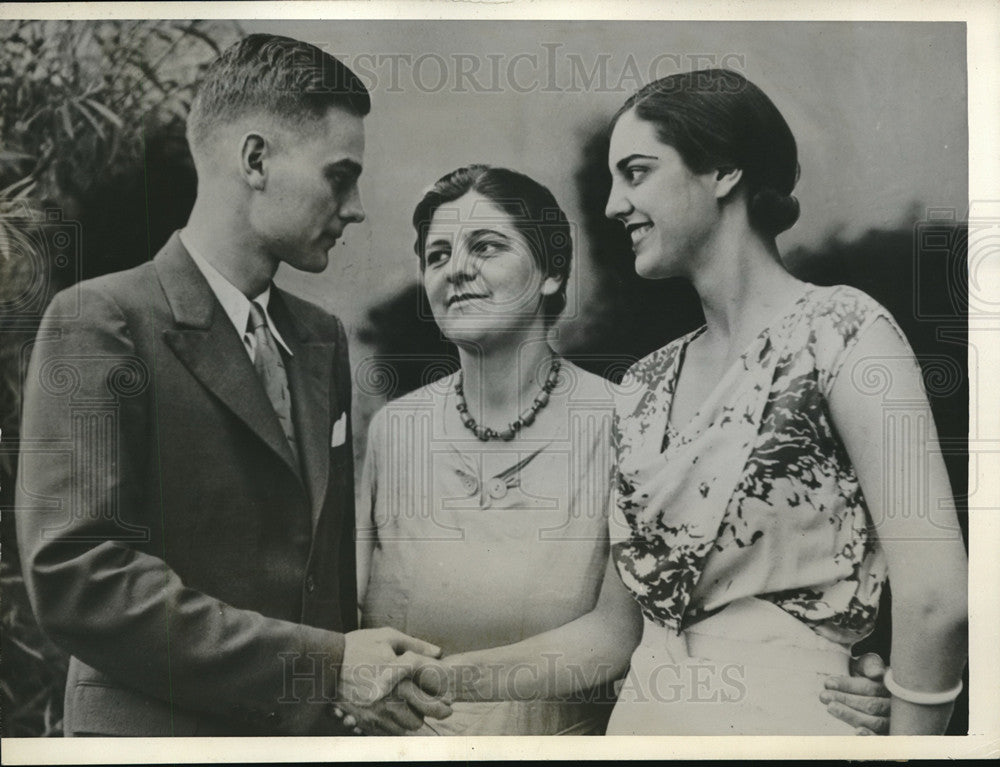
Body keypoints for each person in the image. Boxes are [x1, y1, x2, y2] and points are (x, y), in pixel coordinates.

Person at [359, 164, 894, 736]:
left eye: (485, 246)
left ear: (551, 273)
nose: (456, 269)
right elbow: (351, 619)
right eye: (436, 255)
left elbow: (668, 616)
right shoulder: (395, 431)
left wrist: (832, 672)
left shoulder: (633, 419)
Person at [15, 34, 448, 737]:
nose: (358, 207)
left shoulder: (320, 339)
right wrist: (323, 665)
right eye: (340, 175)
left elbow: (320, 579)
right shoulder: (103, 319)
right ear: (255, 159)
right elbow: (79, 576)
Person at [598, 69, 968, 734]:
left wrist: (913, 735)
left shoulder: (845, 333)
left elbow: (938, 599)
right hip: (642, 726)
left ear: (722, 171)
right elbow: (614, 627)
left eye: (636, 172)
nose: (612, 205)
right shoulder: (642, 384)